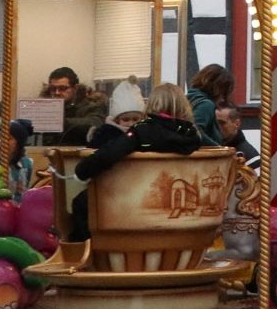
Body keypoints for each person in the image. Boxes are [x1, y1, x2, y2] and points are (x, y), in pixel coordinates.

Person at [68, 84, 202, 242]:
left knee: (81, 202)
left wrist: (82, 171)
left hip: (136, 195)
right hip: (175, 198)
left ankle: (87, 253)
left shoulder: (142, 132)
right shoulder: (193, 136)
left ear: (152, 105)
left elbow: (108, 154)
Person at [43, 67, 108, 146]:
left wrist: (63, 122)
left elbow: (96, 122)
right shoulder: (44, 105)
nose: (57, 92)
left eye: (62, 88)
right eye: (53, 88)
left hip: (79, 153)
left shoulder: (91, 105)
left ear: (75, 88)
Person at [186, 64, 233, 146]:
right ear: (219, 88)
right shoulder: (206, 105)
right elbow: (195, 131)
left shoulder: (188, 99)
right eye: (225, 92)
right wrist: (217, 148)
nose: (223, 99)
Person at [91, 81, 146, 147]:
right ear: (117, 120)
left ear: (142, 119)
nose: (131, 124)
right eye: (126, 120)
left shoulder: (148, 134)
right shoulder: (106, 135)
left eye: (135, 119)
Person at [214, 101, 259, 169]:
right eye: (214, 123)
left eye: (222, 123)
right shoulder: (209, 149)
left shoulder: (251, 158)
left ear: (237, 124)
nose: (217, 127)